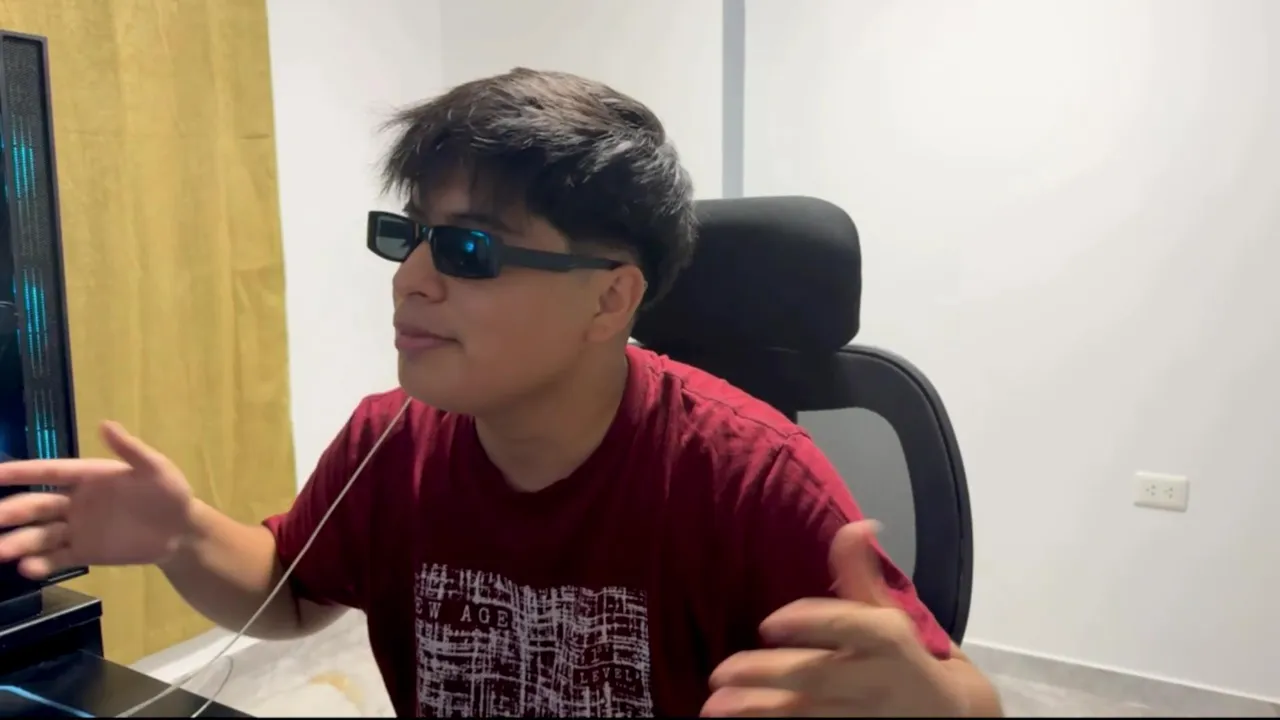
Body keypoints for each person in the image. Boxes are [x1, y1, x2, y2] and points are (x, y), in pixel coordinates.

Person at [0, 68, 1001, 718]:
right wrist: (182, 535)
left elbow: (960, 696)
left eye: (469, 248)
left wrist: (935, 704)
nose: (410, 279)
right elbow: (292, 595)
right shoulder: (392, 439)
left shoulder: (747, 474)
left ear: (608, 298)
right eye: (410, 235)